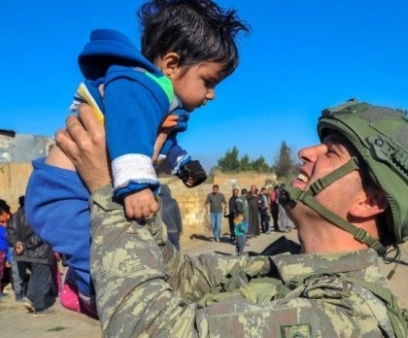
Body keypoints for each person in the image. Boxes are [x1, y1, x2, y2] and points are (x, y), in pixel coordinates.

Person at [57, 99, 408, 338]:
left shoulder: (348, 323)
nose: (308, 151)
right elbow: (180, 277)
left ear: (370, 202)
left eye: (333, 153)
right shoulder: (283, 265)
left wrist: (108, 190)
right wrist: (136, 182)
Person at [24, 0, 247, 317]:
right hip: (62, 193)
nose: (211, 95)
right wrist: (138, 186)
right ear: (171, 64)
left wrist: (182, 163)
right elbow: (127, 133)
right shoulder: (138, 85)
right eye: (208, 82)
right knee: (96, 253)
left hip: (78, 189)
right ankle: (87, 294)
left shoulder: (159, 102)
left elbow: (159, 144)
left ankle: (82, 286)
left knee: (108, 248)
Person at [6, 204, 55, 316]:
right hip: (39, 252)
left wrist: (16, 243)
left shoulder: (18, 214)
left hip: (22, 254)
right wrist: (25, 245)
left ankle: (31, 299)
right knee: (44, 280)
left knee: (35, 276)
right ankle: (36, 304)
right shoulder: (41, 212)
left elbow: (10, 230)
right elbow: (41, 234)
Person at [158, 184, 183, 251]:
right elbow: (178, 217)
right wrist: (180, 230)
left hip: (162, 231)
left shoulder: (157, 202)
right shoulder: (173, 202)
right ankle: (177, 261)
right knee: (176, 247)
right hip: (173, 230)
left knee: (165, 250)